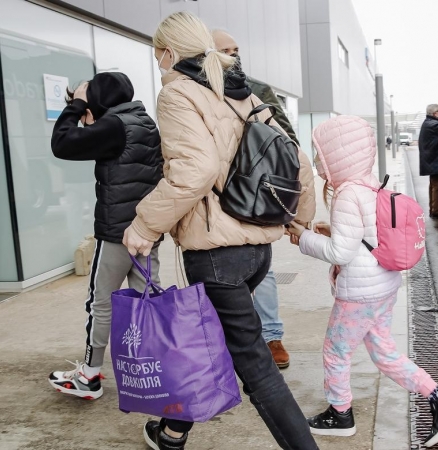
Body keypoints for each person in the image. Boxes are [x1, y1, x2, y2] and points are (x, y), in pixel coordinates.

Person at [122, 12, 317, 450]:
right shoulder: (242, 94)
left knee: (256, 369)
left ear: (169, 52)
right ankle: (172, 431)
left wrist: (143, 225)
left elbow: (196, 170)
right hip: (255, 249)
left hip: (216, 253)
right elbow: (296, 160)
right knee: (212, 338)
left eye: (158, 57)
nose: (159, 66)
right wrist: (297, 217)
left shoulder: (178, 95)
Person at [286, 115, 438, 447]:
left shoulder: (346, 194)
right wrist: (326, 231)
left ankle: (340, 415)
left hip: (360, 293)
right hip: (384, 286)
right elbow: (363, 236)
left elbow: (341, 252)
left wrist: (302, 238)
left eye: (320, 154)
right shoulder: (372, 186)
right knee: (384, 352)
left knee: (335, 351)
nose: (317, 162)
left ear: (337, 157)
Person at [48, 72, 163, 400]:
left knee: (101, 304)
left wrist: (80, 104)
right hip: (146, 234)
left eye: (86, 110)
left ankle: (89, 376)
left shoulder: (115, 127)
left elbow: (62, 143)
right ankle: (151, 373)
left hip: (116, 235)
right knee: (146, 304)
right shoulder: (144, 122)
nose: (85, 119)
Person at [213, 28, 292, 369]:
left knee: (263, 268)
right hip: (215, 196)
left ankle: (272, 336)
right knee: (220, 271)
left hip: (254, 193)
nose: (234, 56)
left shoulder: (257, 89)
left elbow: (288, 141)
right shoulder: (196, 92)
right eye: (225, 50)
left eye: (236, 49)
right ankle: (232, 339)